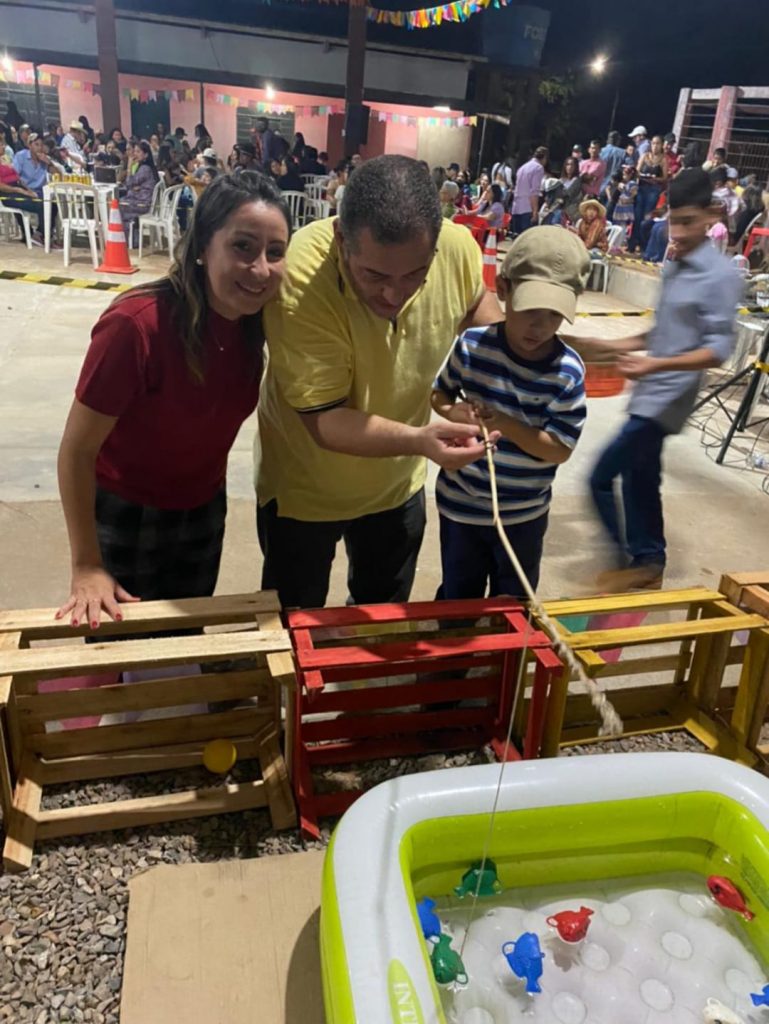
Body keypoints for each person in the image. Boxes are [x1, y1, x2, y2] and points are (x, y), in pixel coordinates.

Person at [255, 154, 502, 609]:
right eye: (374, 275)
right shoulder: (300, 281)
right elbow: (325, 421)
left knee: (381, 616)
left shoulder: (457, 247)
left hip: (397, 484)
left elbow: (476, 305)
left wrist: (493, 370)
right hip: (306, 488)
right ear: (340, 239)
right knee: (295, 620)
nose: (394, 293)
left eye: (415, 275)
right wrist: (422, 440)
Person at [56, 173, 292, 627]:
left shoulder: (257, 323)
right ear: (203, 246)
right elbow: (76, 450)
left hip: (203, 509)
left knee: (182, 639)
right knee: (122, 652)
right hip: (128, 512)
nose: (261, 269)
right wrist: (86, 564)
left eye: (275, 252)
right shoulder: (137, 326)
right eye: (243, 246)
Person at [583, 169, 743, 591]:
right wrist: (621, 345)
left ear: (711, 215)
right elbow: (664, 330)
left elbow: (717, 349)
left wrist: (652, 366)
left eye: (689, 221)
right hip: (649, 390)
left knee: (600, 476)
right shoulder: (675, 264)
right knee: (641, 476)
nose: (680, 231)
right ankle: (649, 560)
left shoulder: (721, 276)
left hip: (670, 396)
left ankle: (625, 560)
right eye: (674, 220)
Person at [430, 227, 589, 599]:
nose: (540, 326)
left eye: (554, 315)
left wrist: (504, 423)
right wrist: (458, 413)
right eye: (530, 309)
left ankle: (503, 658)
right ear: (503, 289)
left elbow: (559, 449)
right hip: (461, 504)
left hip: (522, 514)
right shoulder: (472, 345)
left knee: (513, 602)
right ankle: (457, 656)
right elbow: (439, 395)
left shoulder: (567, 370)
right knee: (458, 596)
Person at [628, 136, 668, 253]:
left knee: (647, 216)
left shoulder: (663, 160)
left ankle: (642, 243)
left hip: (653, 189)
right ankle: (632, 242)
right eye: (653, 143)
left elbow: (665, 177)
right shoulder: (645, 156)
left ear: (661, 145)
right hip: (642, 187)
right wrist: (641, 175)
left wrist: (655, 179)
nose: (655, 146)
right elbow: (636, 171)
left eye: (658, 144)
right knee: (637, 215)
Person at [120, 141, 158, 240]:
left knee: (117, 206)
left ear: (145, 155)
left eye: (138, 152)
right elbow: (132, 185)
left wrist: (129, 166)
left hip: (142, 204)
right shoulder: (144, 167)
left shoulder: (145, 169)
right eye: (135, 151)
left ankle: (125, 239)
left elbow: (128, 183)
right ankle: (131, 238)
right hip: (139, 199)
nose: (134, 154)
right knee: (119, 202)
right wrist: (134, 187)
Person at [511, 145, 548, 235]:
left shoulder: (522, 168)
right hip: (527, 208)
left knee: (517, 238)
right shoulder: (538, 168)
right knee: (526, 238)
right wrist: (535, 211)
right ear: (544, 158)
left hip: (516, 207)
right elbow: (534, 192)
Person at [610, 164, 638, 241]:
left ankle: (621, 241)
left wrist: (628, 199)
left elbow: (633, 194)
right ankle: (616, 240)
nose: (623, 176)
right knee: (618, 223)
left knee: (623, 225)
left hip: (626, 206)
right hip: (620, 205)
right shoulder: (623, 183)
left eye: (625, 175)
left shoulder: (632, 183)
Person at [600, 131, 626, 196]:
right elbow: (630, 167)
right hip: (613, 188)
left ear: (608, 140)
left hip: (598, 186)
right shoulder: (623, 153)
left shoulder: (600, 151)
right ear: (617, 141)